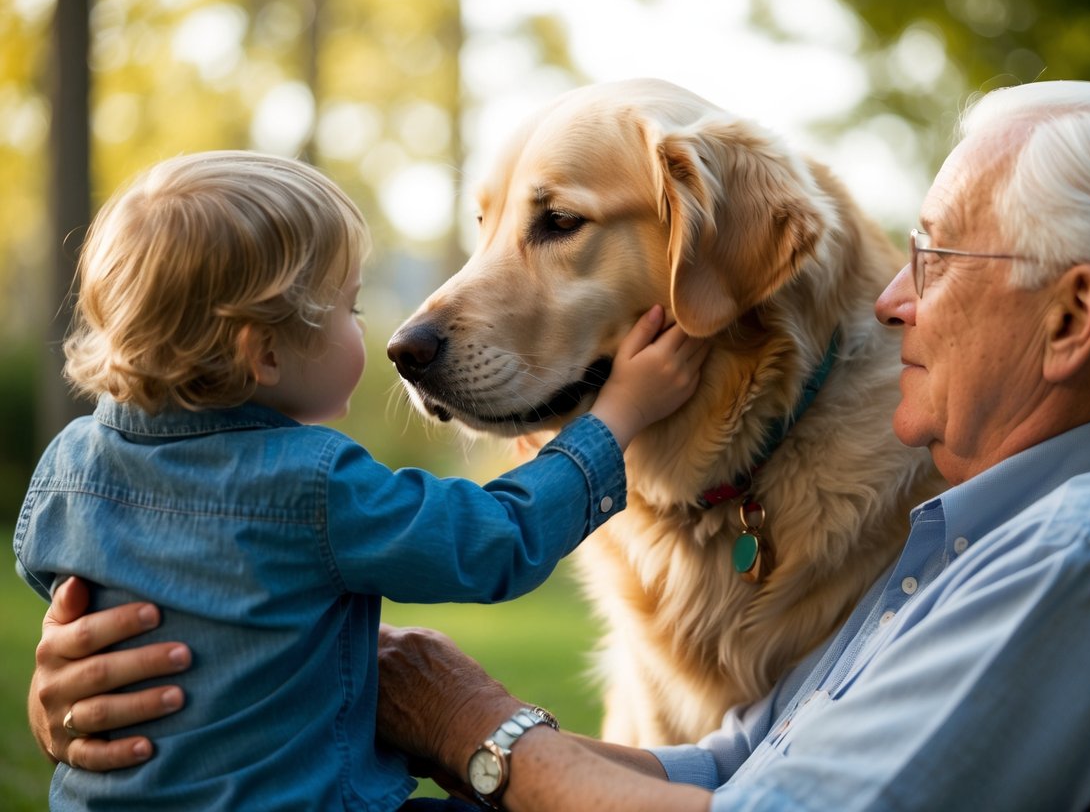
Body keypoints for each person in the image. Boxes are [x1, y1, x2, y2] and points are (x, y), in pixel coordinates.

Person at [25, 79, 1090, 810]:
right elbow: (739, 763)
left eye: (938, 258)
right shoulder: (993, 525)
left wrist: (462, 723)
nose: (890, 299)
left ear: (1072, 318)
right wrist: (191, 676)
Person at [13, 149, 707, 810]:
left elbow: (52, 582)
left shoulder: (66, 466)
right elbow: (492, 541)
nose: (376, 333)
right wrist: (616, 418)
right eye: (348, 308)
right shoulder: (311, 485)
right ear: (266, 354)